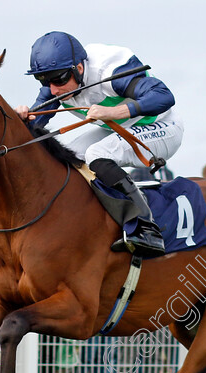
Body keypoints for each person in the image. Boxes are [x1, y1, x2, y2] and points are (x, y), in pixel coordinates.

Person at [16, 31, 183, 258]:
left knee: (97, 152)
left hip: (163, 126)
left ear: (79, 68)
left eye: (59, 79)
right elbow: (35, 125)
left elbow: (163, 96)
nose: (53, 89)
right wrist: (21, 118)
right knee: (68, 156)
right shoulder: (57, 81)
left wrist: (112, 112)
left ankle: (146, 227)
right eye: (44, 81)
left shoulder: (110, 70)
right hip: (119, 129)